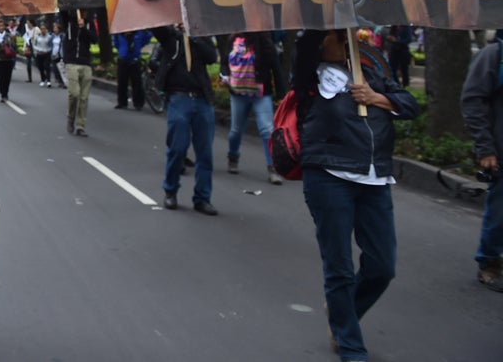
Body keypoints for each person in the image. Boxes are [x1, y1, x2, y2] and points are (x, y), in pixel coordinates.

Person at [293, 29, 420, 360]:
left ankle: (342, 311)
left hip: (375, 178)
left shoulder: (373, 71)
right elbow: (307, 41)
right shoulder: (309, 73)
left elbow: (409, 104)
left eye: (349, 33)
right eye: (339, 34)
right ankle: (349, 343)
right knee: (340, 267)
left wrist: (375, 97)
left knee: (382, 266)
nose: (349, 38)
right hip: (328, 174)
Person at [153, 25, 219, 215]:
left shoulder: (201, 34)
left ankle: (203, 198)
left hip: (202, 100)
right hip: (178, 98)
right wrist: (176, 31)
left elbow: (211, 57)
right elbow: (156, 28)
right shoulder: (170, 37)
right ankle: (170, 190)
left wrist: (193, 35)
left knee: (205, 153)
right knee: (178, 148)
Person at [461, 30, 503, 292]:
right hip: (500, 151)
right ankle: (489, 263)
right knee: (500, 213)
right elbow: (472, 101)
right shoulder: (494, 55)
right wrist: (485, 148)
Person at [221, 32, 286, 184]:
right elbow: (225, 63)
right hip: (238, 93)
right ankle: (233, 157)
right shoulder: (233, 39)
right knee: (235, 131)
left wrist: (281, 94)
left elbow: (276, 67)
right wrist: (224, 75)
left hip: (260, 94)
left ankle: (273, 168)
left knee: (267, 130)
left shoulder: (264, 41)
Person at [67, 14, 95, 136]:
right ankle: (70, 118)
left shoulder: (89, 24)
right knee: (74, 94)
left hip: (86, 63)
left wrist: (84, 28)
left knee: (84, 98)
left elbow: (95, 40)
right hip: (71, 63)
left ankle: (80, 125)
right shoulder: (68, 21)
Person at [113, 29, 152, 109]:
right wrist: (121, 51)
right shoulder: (119, 33)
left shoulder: (139, 32)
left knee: (137, 82)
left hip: (134, 59)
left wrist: (139, 46)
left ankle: (138, 103)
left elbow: (147, 38)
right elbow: (116, 43)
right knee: (122, 82)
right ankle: (122, 102)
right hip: (123, 59)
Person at [386, 25, 414, 89]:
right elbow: (390, 36)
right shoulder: (394, 27)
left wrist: (396, 41)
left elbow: (408, 39)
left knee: (404, 69)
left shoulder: (406, 28)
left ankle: (406, 85)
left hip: (403, 51)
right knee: (392, 68)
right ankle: (396, 84)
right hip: (394, 50)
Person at [31, 22, 53, 88]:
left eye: (44, 29)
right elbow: (34, 45)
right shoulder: (37, 37)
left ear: (46, 29)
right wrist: (37, 50)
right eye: (41, 29)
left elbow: (51, 45)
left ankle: (49, 81)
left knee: (47, 67)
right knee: (41, 67)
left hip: (46, 53)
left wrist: (48, 50)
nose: (43, 30)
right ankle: (43, 80)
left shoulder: (49, 37)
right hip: (39, 54)